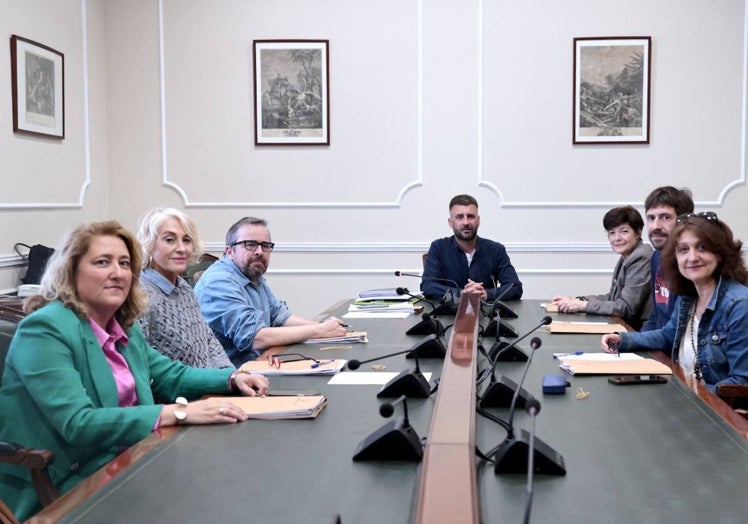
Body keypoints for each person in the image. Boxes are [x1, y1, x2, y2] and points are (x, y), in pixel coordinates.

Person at [0, 221, 269, 521]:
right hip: (64, 484)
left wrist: (232, 378)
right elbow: (79, 423)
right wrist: (177, 413)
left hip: (133, 458)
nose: (117, 272)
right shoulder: (45, 329)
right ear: (71, 271)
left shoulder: (122, 325)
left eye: (125, 263)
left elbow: (170, 375)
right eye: (103, 262)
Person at [601, 213, 748, 392]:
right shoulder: (688, 296)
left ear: (720, 254)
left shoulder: (739, 304)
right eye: (683, 250)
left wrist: (687, 393)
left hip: (715, 411)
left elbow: (740, 383)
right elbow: (667, 335)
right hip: (686, 396)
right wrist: (622, 340)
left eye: (702, 248)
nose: (692, 257)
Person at [194, 217, 347, 366]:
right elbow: (256, 337)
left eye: (265, 245)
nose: (259, 251)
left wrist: (326, 328)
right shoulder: (218, 282)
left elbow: (280, 317)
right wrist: (319, 330)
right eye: (250, 244)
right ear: (229, 251)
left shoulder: (253, 275)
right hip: (231, 380)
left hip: (260, 367)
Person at [136, 207, 233, 368]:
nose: (181, 248)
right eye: (170, 240)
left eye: (186, 240)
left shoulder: (184, 287)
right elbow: (145, 366)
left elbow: (209, 341)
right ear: (150, 245)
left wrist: (230, 376)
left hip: (211, 387)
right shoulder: (140, 295)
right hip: (179, 392)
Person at [551, 206, 653, 330]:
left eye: (624, 231)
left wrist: (582, 305)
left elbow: (626, 308)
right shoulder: (627, 256)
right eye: (612, 233)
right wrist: (576, 300)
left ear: (638, 232)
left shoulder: (641, 257)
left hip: (638, 331)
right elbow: (612, 297)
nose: (617, 238)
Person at [421, 194, 522, 303]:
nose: (466, 222)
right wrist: (462, 293)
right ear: (451, 223)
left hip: (485, 315)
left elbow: (515, 287)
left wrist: (486, 294)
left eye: (470, 216)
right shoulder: (438, 248)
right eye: (460, 217)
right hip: (448, 314)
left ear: (478, 220)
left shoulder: (496, 250)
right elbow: (428, 286)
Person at [641, 186, 694, 331]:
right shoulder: (656, 257)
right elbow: (656, 314)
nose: (655, 226)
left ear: (683, 221)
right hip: (658, 345)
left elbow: (677, 329)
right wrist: (636, 342)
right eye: (651, 218)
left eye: (665, 217)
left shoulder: (691, 265)